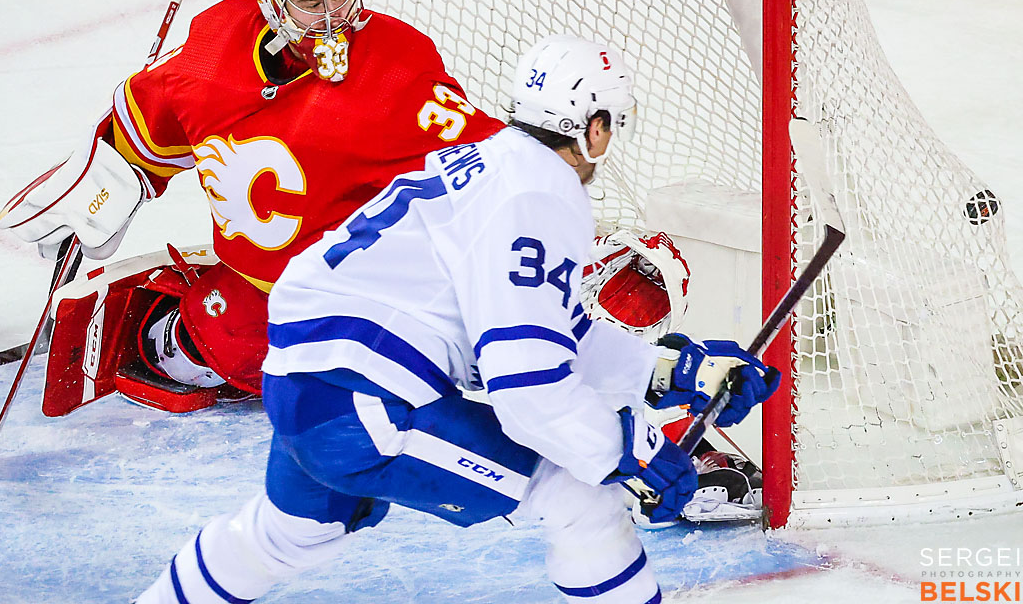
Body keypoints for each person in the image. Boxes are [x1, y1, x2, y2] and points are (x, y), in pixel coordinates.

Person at [133, 35, 779, 603]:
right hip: (364, 401)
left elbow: (544, 332)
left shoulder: (486, 163)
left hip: (307, 383)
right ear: (593, 127)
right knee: (582, 497)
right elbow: (526, 387)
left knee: (286, 534)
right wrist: (628, 450)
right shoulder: (540, 193)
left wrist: (674, 372)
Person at [0, 0, 505, 409]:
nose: (333, 15)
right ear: (273, 2)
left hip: (363, 283)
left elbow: (489, 159)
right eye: (311, 1)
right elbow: (153, 114)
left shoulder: (396, 64)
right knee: (198, 350)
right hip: (254, 283)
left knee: (370, 373)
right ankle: (182, 318)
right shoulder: (217, 45)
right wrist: (106, 182)